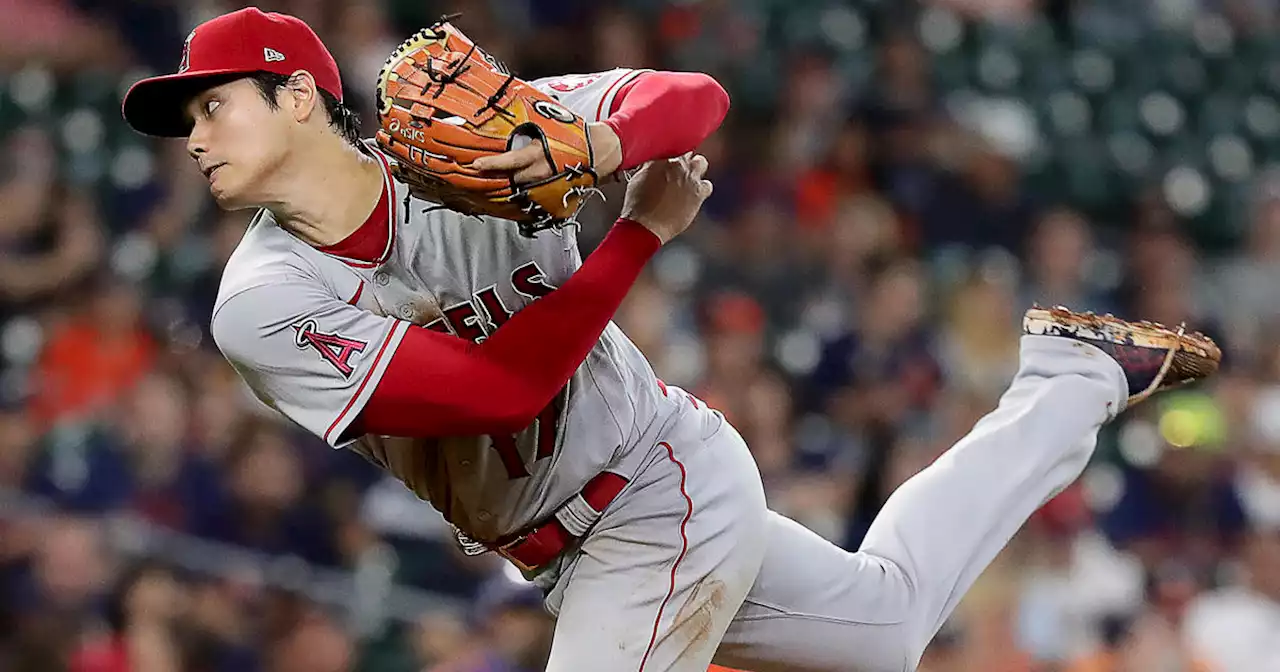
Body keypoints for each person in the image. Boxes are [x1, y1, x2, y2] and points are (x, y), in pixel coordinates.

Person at [121, 8, 1221, 671]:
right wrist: (638, 231)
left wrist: (598, 140)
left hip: (651, 487)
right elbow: (500, 390)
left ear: (302, 96)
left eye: (213, 106)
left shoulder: (473, 137)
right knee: (884, 624)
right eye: (185, 124)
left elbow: (695, 98)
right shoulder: (258, 300)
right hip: (571, 536)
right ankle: (1071, 379)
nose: (193, 138)